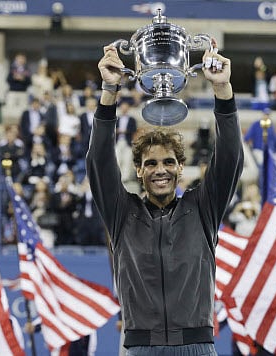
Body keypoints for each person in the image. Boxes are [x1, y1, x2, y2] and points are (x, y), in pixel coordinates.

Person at [87, 43, 243, 353]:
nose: (161, 170)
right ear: (139, 171)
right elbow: (99, 161)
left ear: (181, 167)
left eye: (169, 162)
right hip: (139, 347)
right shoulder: (122, 212)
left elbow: (230, 157)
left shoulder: (201, 208)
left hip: (197, 346)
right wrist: (109, 92)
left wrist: (223, 89)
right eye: (152, 163)